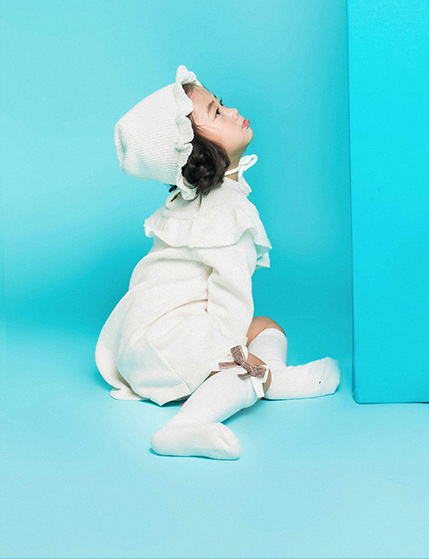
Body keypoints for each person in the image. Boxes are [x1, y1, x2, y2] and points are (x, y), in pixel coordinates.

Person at [95, 64, 340, 460]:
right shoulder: (226, 208)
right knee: (241, 367)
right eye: (216, 112)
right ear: (195, 151)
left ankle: (268, 376)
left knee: (266, 326)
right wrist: (239, 358)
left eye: (221, 104)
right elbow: (230, 297)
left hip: (142, 343)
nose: (231, 111)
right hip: (169, 345)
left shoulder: (193, 199)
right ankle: (189, 424)